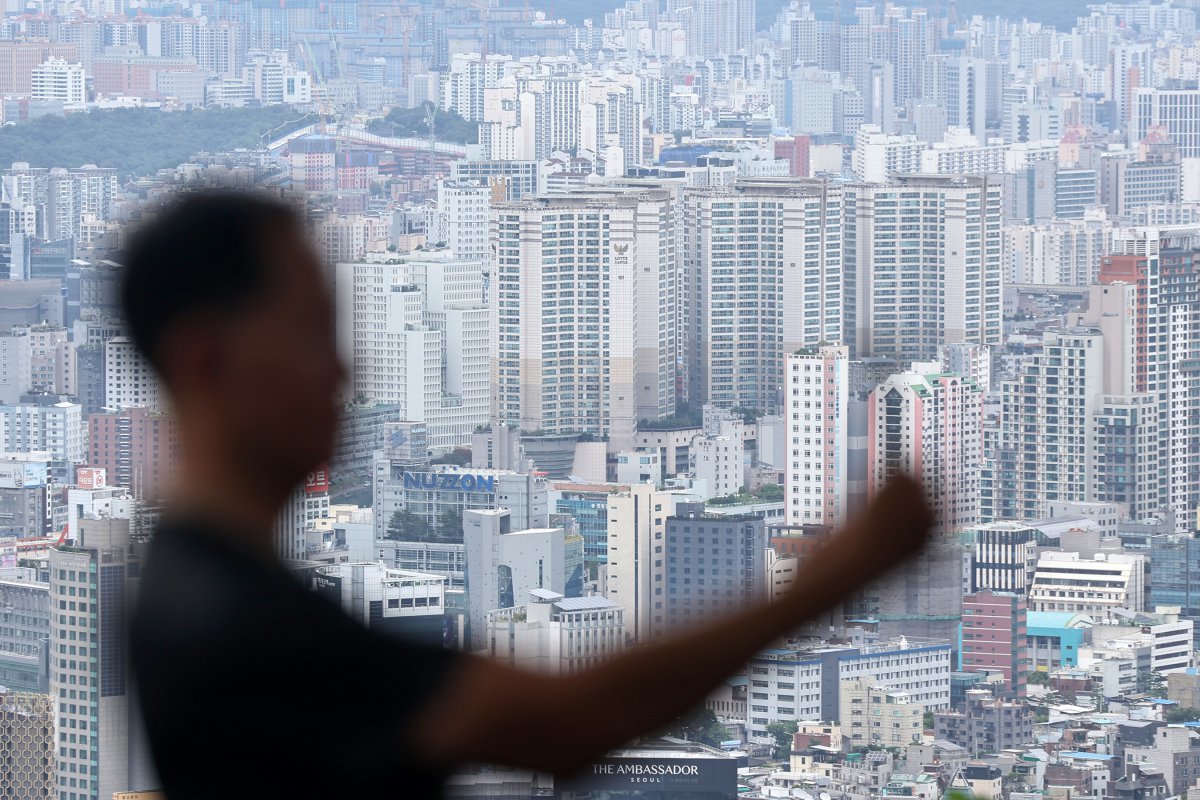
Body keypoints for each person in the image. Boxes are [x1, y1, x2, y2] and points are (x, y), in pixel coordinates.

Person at [124, 190, 934, 800]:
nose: (345, 373)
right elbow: (575, 719)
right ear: (205, 361)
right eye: (312, 334)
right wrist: (844, 570)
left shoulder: (194, 592)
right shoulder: (232, 625)